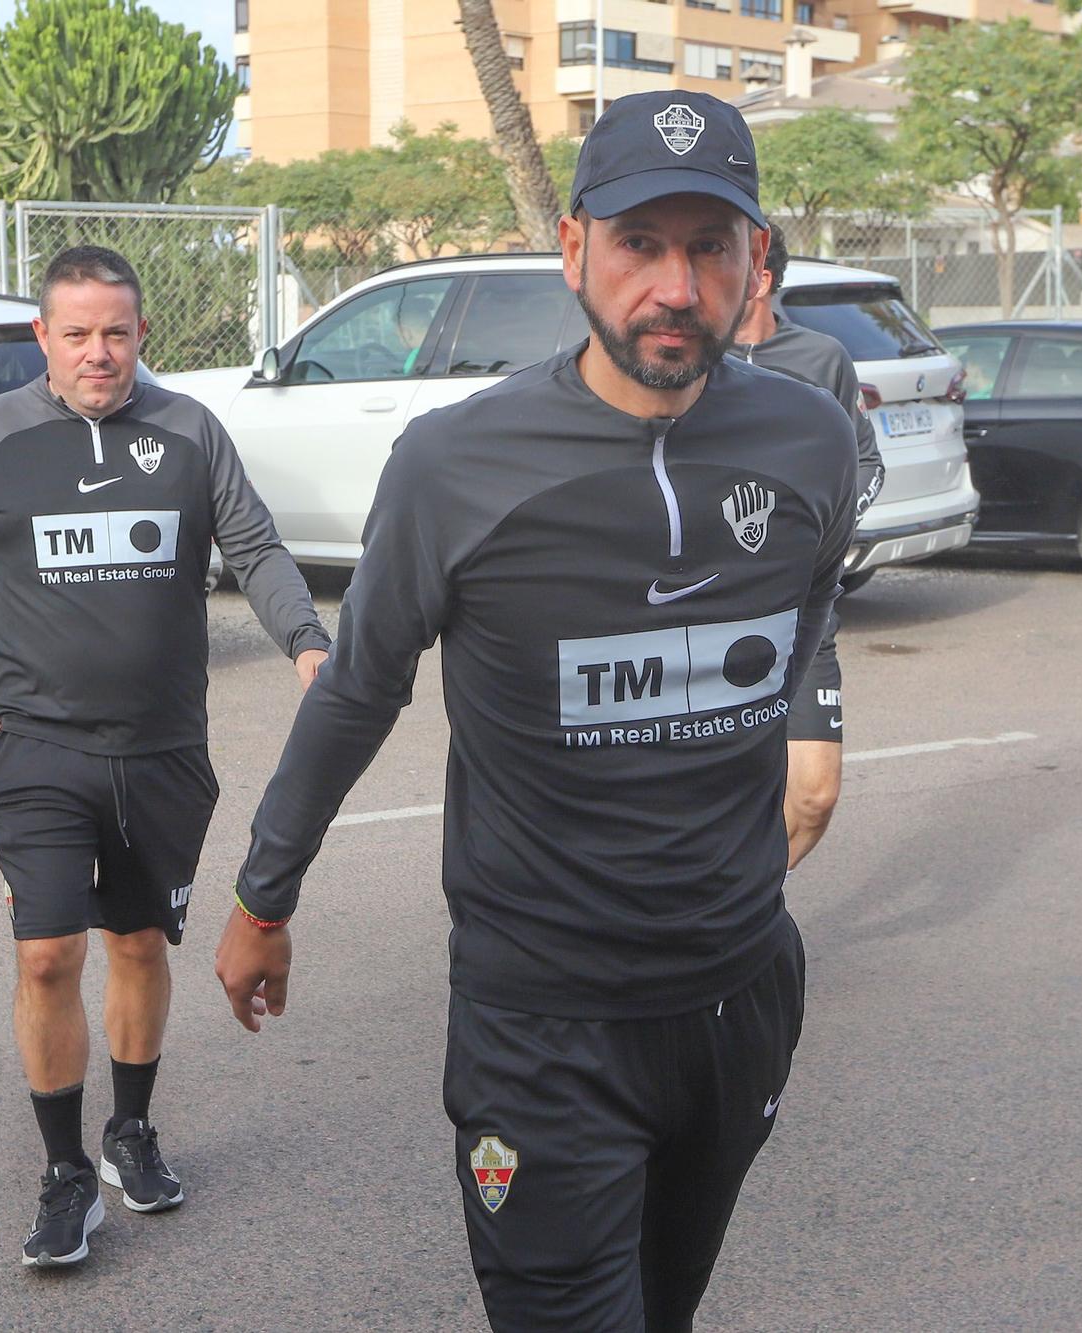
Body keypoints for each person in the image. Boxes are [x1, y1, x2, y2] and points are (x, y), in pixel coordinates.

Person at [216, 92, 856, 1330]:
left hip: (737, 998)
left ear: (752, 262)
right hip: (543, 1025)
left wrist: (802, 739)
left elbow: (806, 609)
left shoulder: (812, 439)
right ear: (572, 250)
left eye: (709, 246)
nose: (674, 286)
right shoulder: (458, 462)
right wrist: (262, 892)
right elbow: (358, 689)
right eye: (638, 244)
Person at [0, 244, 331, 1268]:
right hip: (34, 752)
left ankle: (129, 1132)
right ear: (41, 338)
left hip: (161, 753)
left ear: (140, 333)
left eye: (116, 332)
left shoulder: (187, 429)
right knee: (48, 952)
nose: (98, 352)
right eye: (76, 333)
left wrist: (310, 646)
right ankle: (63, 1174)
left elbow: (257, 548)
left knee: (139, 947)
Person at [731, 232, 885, 869]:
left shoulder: (822, 358)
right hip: (709, 619)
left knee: (815, 796)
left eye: (719, 258)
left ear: (760, 278)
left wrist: (827, 535)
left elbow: (866, 462)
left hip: (803, 620)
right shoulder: (685, 360)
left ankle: (744, 905)